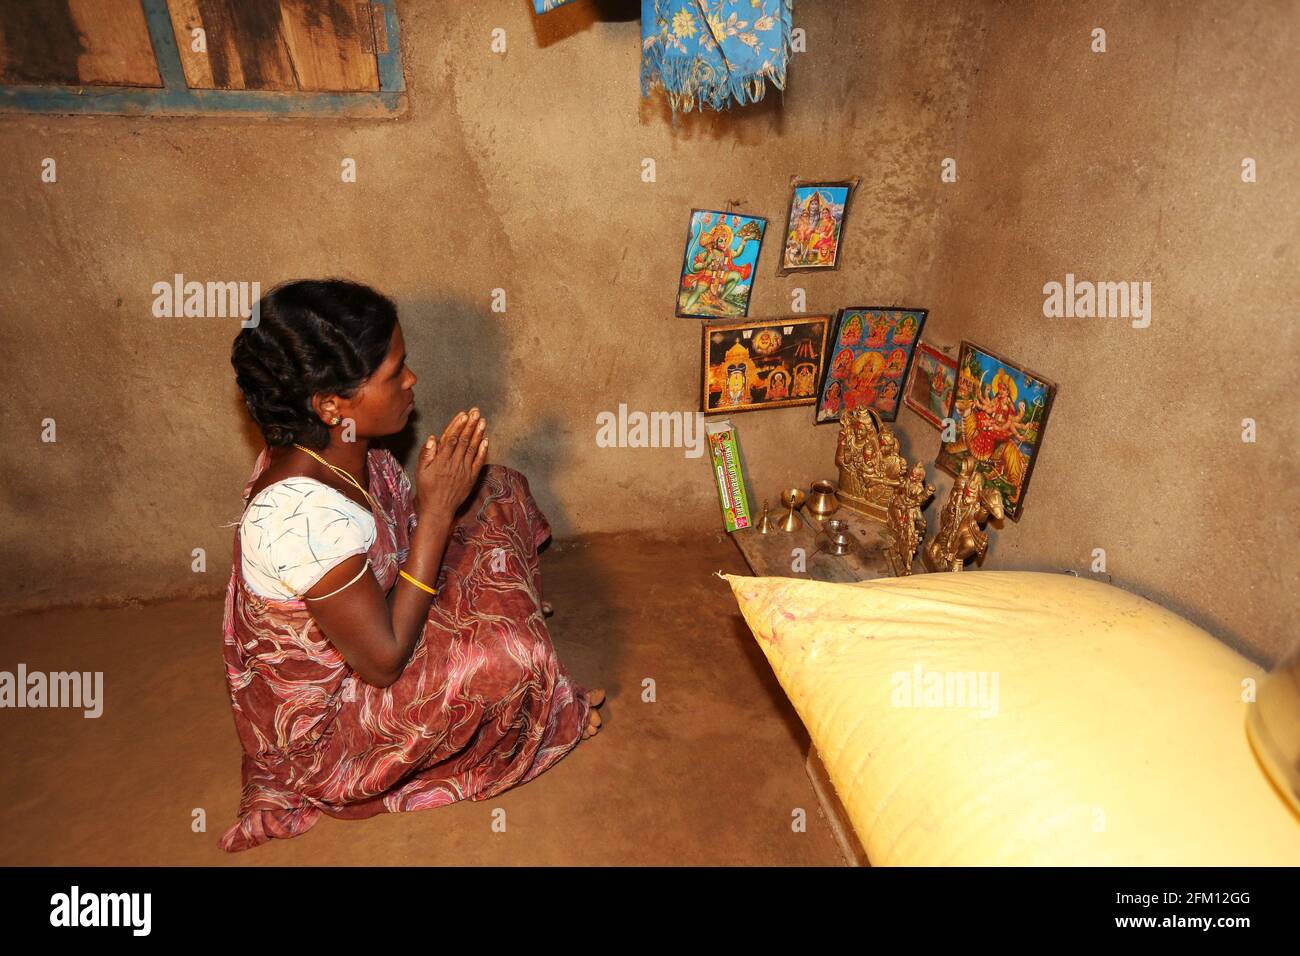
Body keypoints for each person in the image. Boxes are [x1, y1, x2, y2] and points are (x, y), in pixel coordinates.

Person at [220, 279, 604, 852]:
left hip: (373, 617)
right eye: (394, 372)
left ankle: (508, 621)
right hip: (334, 725)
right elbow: (381, 663)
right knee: (510, 654)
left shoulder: (337, 447)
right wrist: (437, 514)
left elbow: (392, 539)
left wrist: (437, 509)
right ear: (330, 405)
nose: (411, 381)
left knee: (498, 488)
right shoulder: (298, 520)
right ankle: (540, 718)